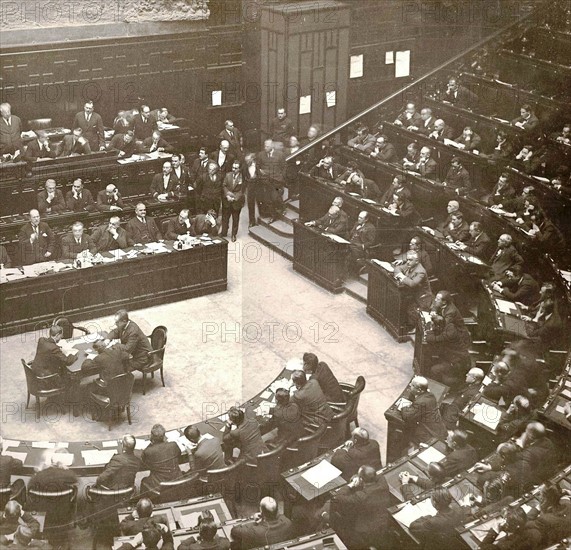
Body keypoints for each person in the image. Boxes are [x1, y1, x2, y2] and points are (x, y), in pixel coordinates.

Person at [327, 466, 391, 549]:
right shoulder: (383, 483)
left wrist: (351, 485)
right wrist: (358, 477)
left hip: (365, 531)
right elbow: (378, 475)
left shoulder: (361, 496)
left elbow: (338, 497)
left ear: (361, 480)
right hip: (382, 523)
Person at [28, 449, 78, 548]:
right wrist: (64, 469)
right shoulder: (68, 475)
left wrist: (41, 470)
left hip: (41, 509)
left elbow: (30, 486)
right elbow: (75, 479)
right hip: (61, 510)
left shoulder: (39, 475)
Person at [427, 291, 472, 388]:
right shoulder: (443, 305)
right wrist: (434, 311)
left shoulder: (450, 313)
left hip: (459, 335)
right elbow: (434, 306)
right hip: (453, 344)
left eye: (438, 299)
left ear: (444, 302)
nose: (435, 300)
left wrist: (432, 323)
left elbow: (443, 323)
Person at [393, 376, 448, 445]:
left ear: (419, 390)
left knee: (407, 427)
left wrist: (403, 406)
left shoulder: (421, 402)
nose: (410, 385)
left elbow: (407, 416)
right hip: (439, 430)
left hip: (430, 435)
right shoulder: (430, 395)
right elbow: (415, 398)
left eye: (412, 385)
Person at [230, 497, 295, 550]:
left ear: (261, 510)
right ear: (277, 510)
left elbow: (234, 531)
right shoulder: (287, 522)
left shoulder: (254, 530)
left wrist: (253, 520)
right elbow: (280, 516)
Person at [394, 251, 433, 328]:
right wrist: (401, 275)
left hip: (422, 299)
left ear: (417, 261)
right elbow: (397, 268)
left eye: (410, 260)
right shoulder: (410, 265)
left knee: (408, 310)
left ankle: (409, 328)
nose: (408, 262)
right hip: (412, 295)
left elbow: (412, 284)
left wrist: (401, 277)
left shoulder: (421, 271)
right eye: (407, 259)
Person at [140, 424, 183, 493]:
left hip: (160, 484)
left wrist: (151, 443)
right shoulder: (173, 444)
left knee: (144, 480)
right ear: (164, 436)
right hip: (177, 478)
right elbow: (179, 455)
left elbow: (145, 463)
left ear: (152, 437)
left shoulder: (148, 451)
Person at [527, 482, 571, 547]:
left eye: (541, 496)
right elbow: (564, 498)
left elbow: (526, 523)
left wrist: (537, 508)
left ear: (544, 499)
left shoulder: (544, 519)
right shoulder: (567, 505)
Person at [257, 139, 286, 222]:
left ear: (272, 146)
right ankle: (273, 215)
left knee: (275, 197)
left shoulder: (280, 155)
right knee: (268, 199)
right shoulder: (261, 155)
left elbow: (284, 167)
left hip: (277, 180)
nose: (265, 147)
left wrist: (281, 177)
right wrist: (261, 174)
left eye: (267, 146)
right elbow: (258, 166)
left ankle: (282, 207)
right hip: (265, 181)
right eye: (265, 146)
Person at [221, 159, 244, 241]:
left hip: (236, 202)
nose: (233, 169)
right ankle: (224, 232)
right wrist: (227, 195)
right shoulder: (228, 175)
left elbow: (241, 191)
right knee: (225, 217)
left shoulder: (242, 178)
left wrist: (234, 198)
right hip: (227, 200)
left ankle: (233, 234)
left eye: (236, 168)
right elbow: (224, 185)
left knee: (235, 219)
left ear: (239, 169)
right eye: (233, 167)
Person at [347, 211, 376, 275]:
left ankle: (345, 271)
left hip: (360, 248)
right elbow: (351, 234)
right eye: (358, 217)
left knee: (348, 252)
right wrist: (356, 229)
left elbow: (371, 242)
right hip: (351, 243)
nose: (358, 219)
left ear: (366, 219)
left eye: (361, 218)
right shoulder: (357, 223)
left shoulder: (371, 228)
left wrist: (362, 246)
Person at [0, 437, 25, 505]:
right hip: (4, 493)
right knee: (20, 481)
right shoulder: (7, 460)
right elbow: (20, 463)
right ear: (1, 448)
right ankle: (19, 508)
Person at [243, 152, 260, 227]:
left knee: (260, 202)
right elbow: (244, 178)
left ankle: (261, 217)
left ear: (252, 159)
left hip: (259, 186)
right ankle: (252, 221)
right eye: (246, 161)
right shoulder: (244, 167)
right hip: (250, 187)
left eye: (248, 160)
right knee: (251, 204)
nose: (246, 162)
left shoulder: (258, 165)